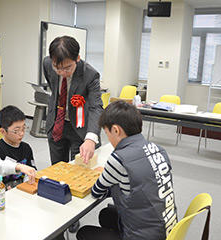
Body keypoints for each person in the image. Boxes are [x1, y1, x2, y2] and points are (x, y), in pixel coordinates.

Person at [76, 101, 177, 240]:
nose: (109, 139)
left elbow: (96, 192)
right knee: (106, 215)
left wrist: (105, 176)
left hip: (143, 236)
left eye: (107, 133)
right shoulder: (158, 149)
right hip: (166, 229)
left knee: (84, 232)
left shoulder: (118, 160)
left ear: (116, 130)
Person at [43, 35, 103, 166]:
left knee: (79, 170)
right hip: (56, 124)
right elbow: (54, 89)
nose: (62, 72)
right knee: (57, 169)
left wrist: (91, 138)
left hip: (80, 128)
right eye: (57, 68)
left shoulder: (90, 75)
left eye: (67, 68)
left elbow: (96, 107)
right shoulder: (47, 64)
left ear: (77, 58)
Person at [0, 105, 37, 190]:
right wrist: (18, 167)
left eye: (23, 128)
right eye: (16, 131)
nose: (21, 133)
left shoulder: (26, 148)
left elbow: (32, 170)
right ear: (3, 131)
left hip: (21, 188)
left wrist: (26, 183)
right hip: (1, 192)